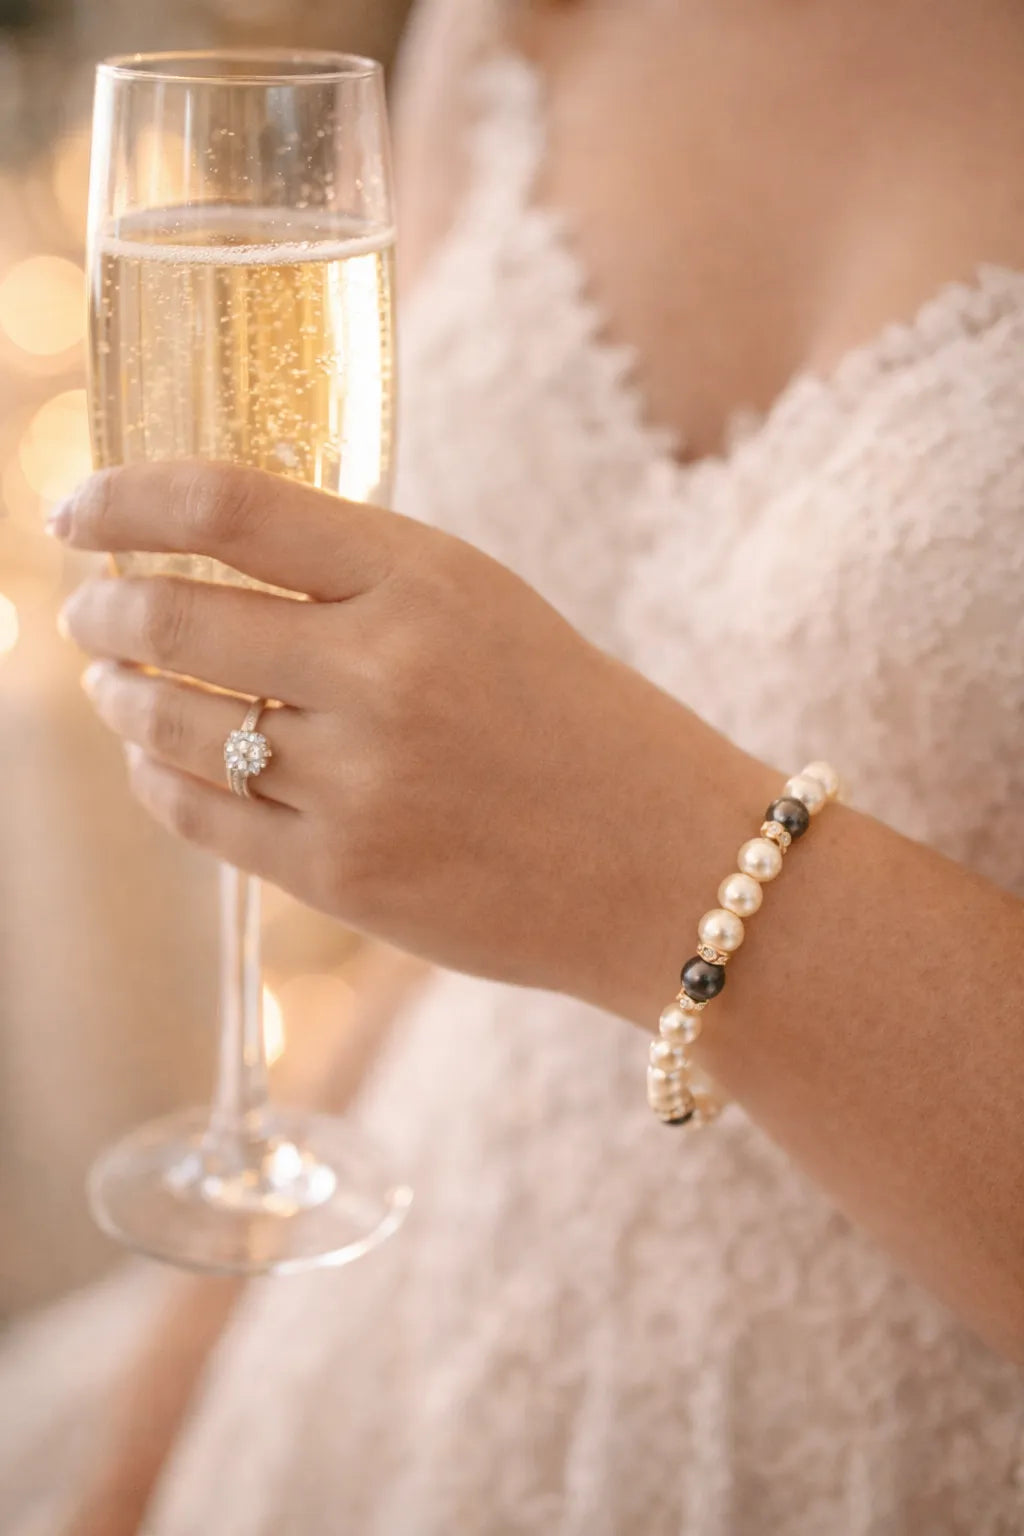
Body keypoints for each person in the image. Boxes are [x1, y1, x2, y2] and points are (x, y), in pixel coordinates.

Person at [7, 0, 1024, 1530]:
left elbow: (566, 832)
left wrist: (674, 867)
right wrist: (163, 1438)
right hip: (404, 1321)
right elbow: (455, 946)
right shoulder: (514, 26)